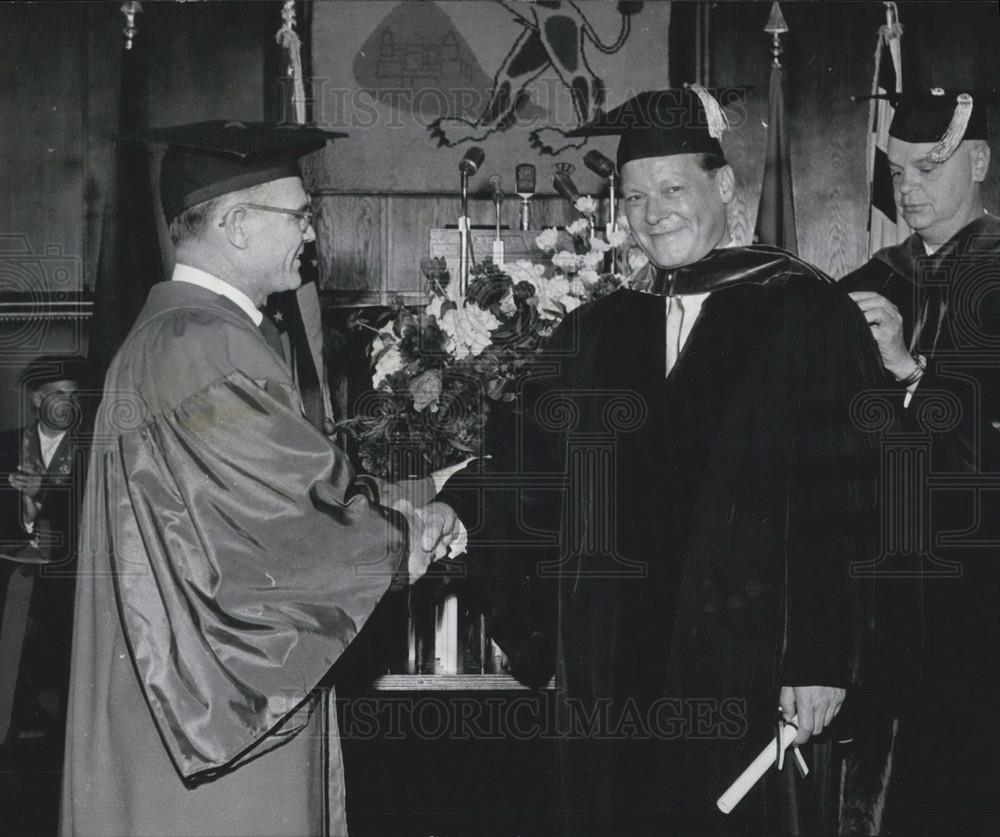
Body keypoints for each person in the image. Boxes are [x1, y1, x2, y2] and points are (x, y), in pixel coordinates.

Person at [442, 87, 883, 835]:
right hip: (614, 679)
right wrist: (454, 511)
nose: (653, 212)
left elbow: (845, 493)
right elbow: (528, 464)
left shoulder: (807, 315)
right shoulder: (596, 331)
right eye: (636, 195)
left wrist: (819, 656)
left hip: (746, 672)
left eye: (674, 188)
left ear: (724, 187)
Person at [60, 121, 458, 837]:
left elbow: (255, 501)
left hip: (177, 690)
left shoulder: (175, 334)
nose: (310, 235)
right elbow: (291, 524)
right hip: (222, 721)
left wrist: (400, 506)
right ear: (238, 225)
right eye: (300, 215)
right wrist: (404, 538)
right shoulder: (207, 345)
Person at [841, 88, 999, 835]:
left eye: (929, 167)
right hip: (880, 596)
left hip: (977, 597)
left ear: (979, 160)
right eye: (897, 171)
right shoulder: (877, 277)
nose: (908, 188)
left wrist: (911, 371)